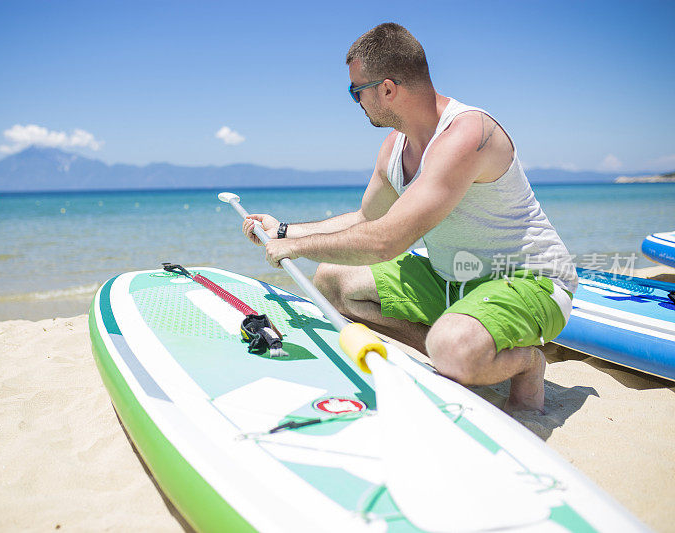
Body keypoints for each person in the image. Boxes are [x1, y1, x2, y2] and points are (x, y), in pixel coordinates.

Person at [242, 22, 577, 413]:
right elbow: (368, 219)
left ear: (386, 89)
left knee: (451, 348)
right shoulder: (393, 149)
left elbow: (386, 241)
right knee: (331, 280)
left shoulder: (467, 135)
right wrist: (283, 230)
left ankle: (525, 362)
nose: (355, 102)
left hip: (527, 279)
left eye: (355, 92)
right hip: (451, 280)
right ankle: (456, 347)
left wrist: (297, 248)